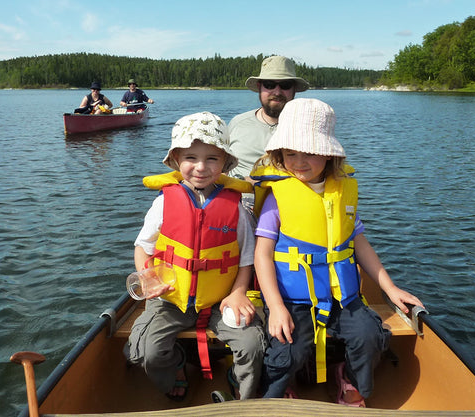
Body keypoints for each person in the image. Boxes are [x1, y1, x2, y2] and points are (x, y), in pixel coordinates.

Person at [252, 98, 424, 407]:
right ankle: (279, 391)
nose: (299, 161)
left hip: (343, 296)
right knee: (287, 348)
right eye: (290, 153)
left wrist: (390, 288)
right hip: (294, 299)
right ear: (279, 154)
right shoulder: (277, 197)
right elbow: (262, 255)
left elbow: (359, 244)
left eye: (310, 152)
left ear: (329, 154)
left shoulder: (341, 191)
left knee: (370, 336)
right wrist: (275, 306)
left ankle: (350, 382)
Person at [123, 111, 266, 402]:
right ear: (176, 160)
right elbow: (143, 247)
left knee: (253, 345)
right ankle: (174, 367)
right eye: (191, 158)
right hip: (171, 298)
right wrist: (147, 277)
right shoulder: (163, 203)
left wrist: (239, 293)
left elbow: (246, 259)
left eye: (212, 158)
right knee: (147, 351)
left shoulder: (235, 208)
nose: (201, 167)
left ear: (225, 163)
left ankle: (239, 384)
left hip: (220, 300)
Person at [228, 55, 309, 182]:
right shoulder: (237, 123)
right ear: (260, 86)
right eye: (269, 85)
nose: (277, 92)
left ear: (294, 89)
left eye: (285, 85)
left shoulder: (309, 129)